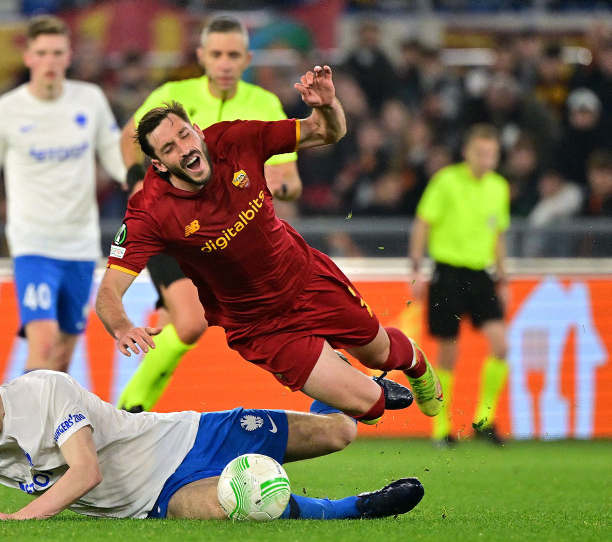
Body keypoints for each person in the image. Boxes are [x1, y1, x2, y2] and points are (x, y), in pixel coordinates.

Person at [95, 65, 442, 431]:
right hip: (259, 325)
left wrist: (326, 106)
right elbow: (108, 293)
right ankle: (341, 378)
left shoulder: (237, 139)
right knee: (370, 407)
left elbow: (326, 131)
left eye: (184, 135)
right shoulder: (150, 211)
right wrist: (121, 326)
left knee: (381, 352)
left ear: (197, 131)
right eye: (169, 148)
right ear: (158, 164)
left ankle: (415, 363)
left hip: (306, 279)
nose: (184, 149)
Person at [0, 354, 424, 521]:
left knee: (340, 433)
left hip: (189, 436)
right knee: (235, 508)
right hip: (157, 499)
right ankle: (353, 509)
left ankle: (350, 386)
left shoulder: (44, 391)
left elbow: (86, 472)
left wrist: (14, 520)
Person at [116, 15, 303, 413]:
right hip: (170, 224)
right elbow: (129, 138)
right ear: (201, 55)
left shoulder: (264, 104)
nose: (224, 63)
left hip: (224, 236)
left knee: (181, 326)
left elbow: (291, 178)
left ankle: (129, 420)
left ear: (247, 58)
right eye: (216, 54)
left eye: (233, 55)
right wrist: (136, 180)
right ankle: (127, 413)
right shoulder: (173, 94)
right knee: (190, 321)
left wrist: (273, 181)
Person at [0, 15, 126, 373]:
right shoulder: (6, 111)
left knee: (62, 358)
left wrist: (134, 178)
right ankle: (22, 430)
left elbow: (111, 153)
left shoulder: (90, 100)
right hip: (33, 245)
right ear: (28, 57)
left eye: (57, 52)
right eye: (42, 53)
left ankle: (40, 423)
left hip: (81, 246)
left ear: (69, 56)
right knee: (45, 341)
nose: (50, 61)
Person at [409, 123, 510, 447]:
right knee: (448, 352)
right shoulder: (446, 181)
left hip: (481, 274)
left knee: (502, 346)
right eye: (481, 152)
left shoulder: (499, 187)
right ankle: (442, 428)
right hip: (448, 272)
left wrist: (503, 278)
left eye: (491, 153)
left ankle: (484, 418)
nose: (486, 159)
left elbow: (498, 236)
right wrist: (415, 268)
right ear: (467, 152)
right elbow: (422, 224)